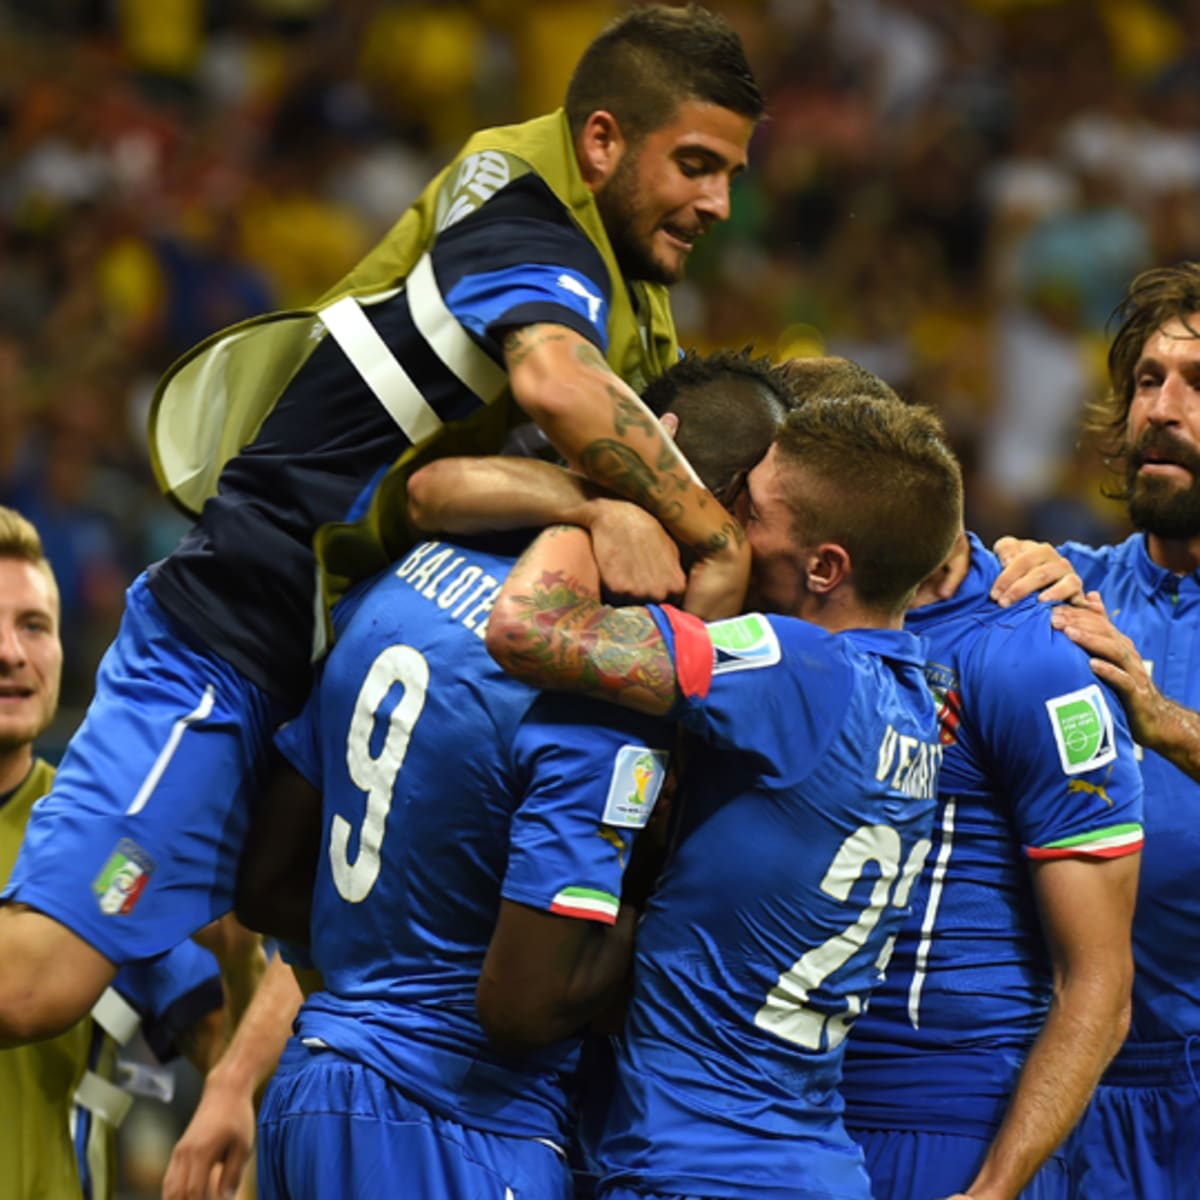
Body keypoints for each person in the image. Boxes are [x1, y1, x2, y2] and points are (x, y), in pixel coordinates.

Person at [0, 3, 764, 1045]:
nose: (718, 201)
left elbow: (435, 487)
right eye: (694, 165)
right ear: (602, 141)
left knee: (286, 908)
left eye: (730, 174)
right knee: (28, 988)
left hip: (330, 662)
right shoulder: (525, 221)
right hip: (235, 635)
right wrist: (710, 538)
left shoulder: (626, 285)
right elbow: (552, 382)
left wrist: (599, 498)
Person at [163, 349, 794, 1200]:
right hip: (462, 1124)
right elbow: (525, 1004)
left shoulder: (411, 579)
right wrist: (674, 922)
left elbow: (271, 886)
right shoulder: (592, 687)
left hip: (317, 1092)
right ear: (722, 510)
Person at [483, 389, 965, 1199]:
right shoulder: (920, 701)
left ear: (825, 567)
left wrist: (599, 507)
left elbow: (526, 630)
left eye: (750, 509)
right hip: (810, 1164)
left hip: (696, 1161)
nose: (723, 519)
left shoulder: (794, 667)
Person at [839, 528, 1143, 1199]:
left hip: (980, 1098)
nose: (1163, 413)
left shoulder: (1034, 646)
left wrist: (993, 1189)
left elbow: (1098, 981)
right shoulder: (1067, 578)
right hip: (814, 1101)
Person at [0, 504, 234, 1200]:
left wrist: (250, 963)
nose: (12, 652)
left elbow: (218, 1029)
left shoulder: (112, 846)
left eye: (34, 626)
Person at [1038, 262, 1200, 1197]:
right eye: (1147, 380)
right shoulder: (1059, 592)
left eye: (1196, 385)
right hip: (1074, 1089)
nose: (1161, 410)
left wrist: (1166, 724)